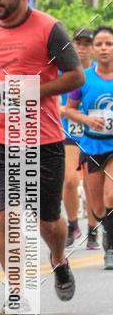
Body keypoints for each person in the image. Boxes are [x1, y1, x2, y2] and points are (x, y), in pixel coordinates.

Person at [0, 0, 85, 315]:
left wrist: (32, 91)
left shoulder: (49, 29)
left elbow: (74, 75)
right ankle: (17, 293)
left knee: (47, 222)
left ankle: (59, 258)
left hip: (43, 140)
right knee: (7, 218)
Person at [66, 25, 113, 270]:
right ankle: (107, 233)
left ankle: (112, 248)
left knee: (111, 195)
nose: (104, 49)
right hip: (92, 145)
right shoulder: (84, 78)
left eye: (109, 44)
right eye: (100, 44)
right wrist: (86, 119)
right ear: (94, 50)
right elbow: (68, 109)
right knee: (97, 206)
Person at [59, 28, 99, 248]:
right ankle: (73, 224)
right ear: (72, 45)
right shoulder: (62, 72)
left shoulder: (97, 73)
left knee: (92, 185)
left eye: (87, 44)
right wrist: (61, 109)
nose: (82, 48)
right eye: (78, 43)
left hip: (95, 135)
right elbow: (50, 98)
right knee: (70, 181)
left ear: (92, 48)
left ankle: (93, 231)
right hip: (69, 133)